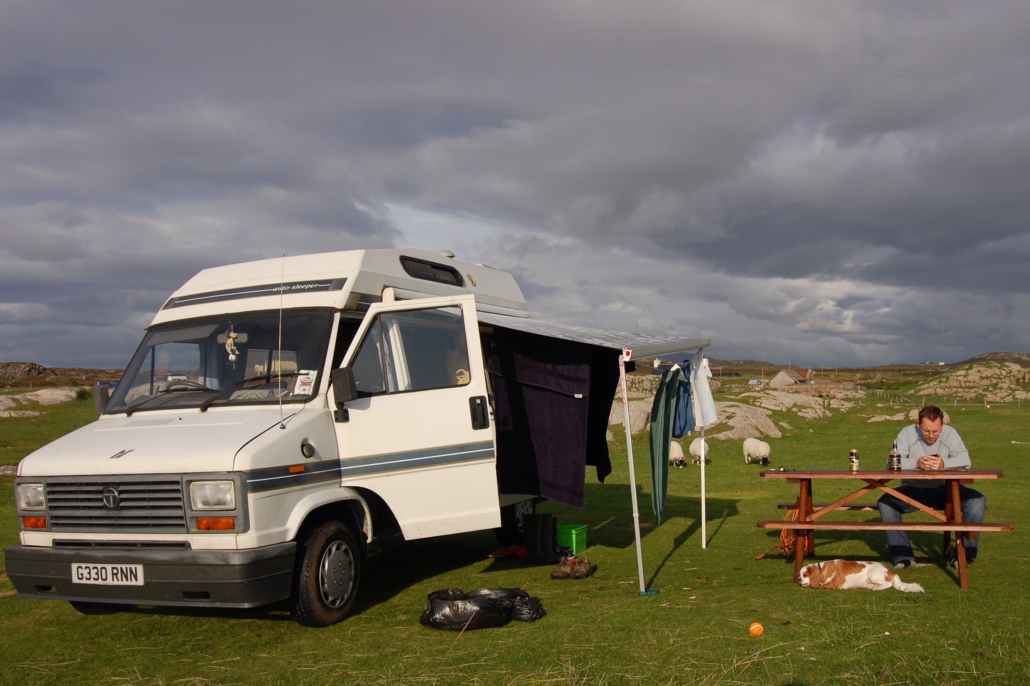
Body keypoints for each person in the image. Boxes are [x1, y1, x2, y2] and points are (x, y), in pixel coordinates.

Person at [877, 405, 986, 570]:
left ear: (942, 425)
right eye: (926, 431)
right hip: (913, 490)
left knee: (977, 500)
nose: (931, 435)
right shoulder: (907, 433)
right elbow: (891, 462)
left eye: (936, 431)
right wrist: (917, 463)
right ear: (918, 424)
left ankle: (964, 554)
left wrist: (943, 464)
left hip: (945, 490)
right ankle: (903, 556)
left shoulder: (950, 433)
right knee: (886, 503)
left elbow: (965, 460)